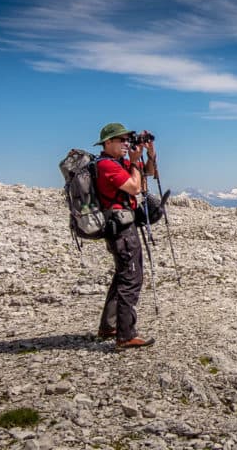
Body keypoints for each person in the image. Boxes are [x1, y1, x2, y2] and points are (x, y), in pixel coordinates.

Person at [94, 122, 156, 349]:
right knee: (131, 277)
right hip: (121, 228)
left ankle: (109, 326)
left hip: (122, 226)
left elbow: (148, 173)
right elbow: (135, 187)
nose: (125, 144)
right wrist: (134, 163)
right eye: (121, 140)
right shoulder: (106, 166)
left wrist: (148, 155)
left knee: (122, 274)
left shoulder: (117, 163)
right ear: (107, 142)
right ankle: (126, 335)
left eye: (126, 140)